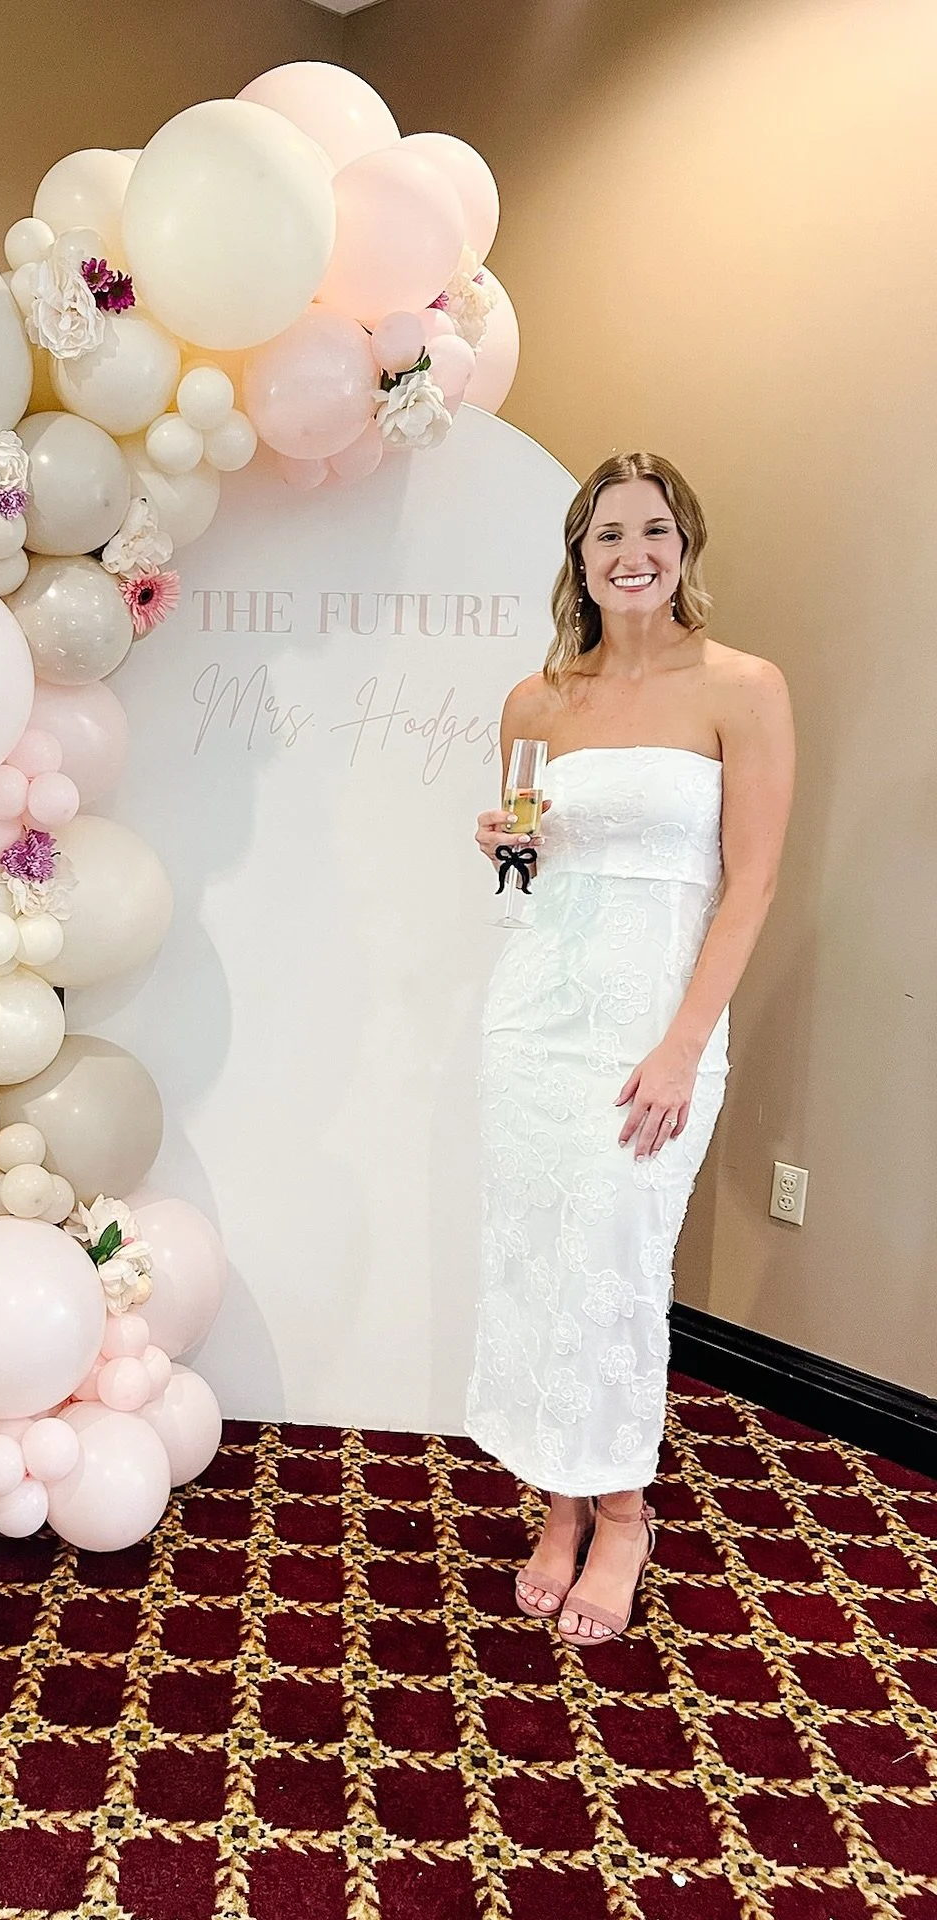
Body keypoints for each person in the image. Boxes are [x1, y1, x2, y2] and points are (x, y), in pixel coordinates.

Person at [465, 451, 794, 1647]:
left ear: (685, 546)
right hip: (534, 1017)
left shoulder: (744, 687)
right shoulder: (537, 701)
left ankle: (625, 1513)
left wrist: (681, 1045)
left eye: (653, 530)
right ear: (581, 556)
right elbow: (520, 884)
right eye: (608, 535)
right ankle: (560, 1507)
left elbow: (750, 883)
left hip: (657, 1024)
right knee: (542, 1258)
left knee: (615, 1260)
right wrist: (501, 844)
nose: (631, 552)